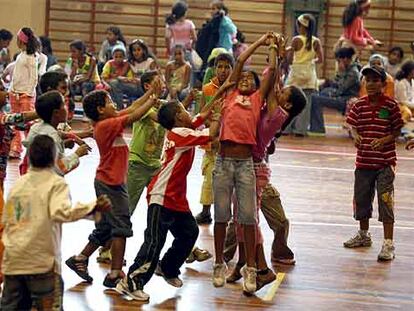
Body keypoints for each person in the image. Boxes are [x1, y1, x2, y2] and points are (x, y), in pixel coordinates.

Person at [115, 94, 224, 301]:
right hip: (161, 196)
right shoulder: (180, 133)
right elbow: (211, 134)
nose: (188, 112)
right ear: (178, 116)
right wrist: (218, 114)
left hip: (176, 199)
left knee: (189, 233)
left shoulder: (182, 129)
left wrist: (219, 95)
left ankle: (167, 267)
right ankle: (132, 281)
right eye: (184, 109)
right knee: (155, 241)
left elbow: (200, 116)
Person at [0, 134, 111, 310]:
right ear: (54, 157)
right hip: (42, 263)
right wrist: (92, 208)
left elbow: (7, 220)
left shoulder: (18, 185)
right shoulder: (56, 183)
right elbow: (61, 212)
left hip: (14, 261)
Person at [65, 83, 159, 288]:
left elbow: (133, 107)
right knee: (121, 228)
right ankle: (115, 273)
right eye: (109, 102)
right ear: (100, 110)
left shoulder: (109, 121)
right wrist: (152, 101)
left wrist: (150, 93)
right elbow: (134, 115)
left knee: (106, 227)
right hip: (111, 185)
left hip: (109, 183)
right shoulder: (107, 126)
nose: (114, 104)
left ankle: (80, 259)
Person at [211, 32, 279, 294]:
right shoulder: (229, 95)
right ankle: (219, 262)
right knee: (221, 215)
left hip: (245, 165)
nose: (247, 80)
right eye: (243, 78)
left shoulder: (256, 99)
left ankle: (251, 267)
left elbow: (271, 69)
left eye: (252, 79)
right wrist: (261, 41)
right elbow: (240, 62)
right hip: (223, 161)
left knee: (248, 218)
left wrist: (272, 48)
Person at [344, 65, 403, 261]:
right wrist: (356, 135)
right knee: (361, 199)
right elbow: (352, 125)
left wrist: (384, 141)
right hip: (363, 163)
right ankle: (363, 234)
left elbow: (396, 132)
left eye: (375, 80)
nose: (370, 84)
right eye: (367, 80)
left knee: (385, 201)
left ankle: (388, 243)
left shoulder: (391, 106)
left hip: (385, 163)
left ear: (383, 84)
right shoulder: (359, 105)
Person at [0, 90, 38, 286]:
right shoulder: (3, 117)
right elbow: (19, 117)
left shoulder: (4, 114)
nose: (4, 92)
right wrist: (42, 109)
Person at [195, 52, 234, 224]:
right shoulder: (207, 89)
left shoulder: (236, 89)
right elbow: (202, 113)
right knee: (209, 177)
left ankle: (228, 213)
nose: (223, 70)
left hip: (229, 139)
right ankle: (205, 211)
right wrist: (214, 122)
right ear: (214, 69)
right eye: (220, 66)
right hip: (212, 140)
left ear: (233, 69)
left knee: (228, 178)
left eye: (227, 67)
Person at [24, 91, 90, 176]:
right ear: (56, 113)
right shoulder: (53, 138)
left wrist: (66, 140)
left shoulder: (35, 128)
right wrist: (77, 154)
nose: (66, 108)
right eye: (64, 105)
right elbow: (57, 169)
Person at [284, 13, 323, 136]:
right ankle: (301, 130)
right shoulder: (316, 41)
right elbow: (320, 59)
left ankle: (286, 128)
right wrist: (311, 61)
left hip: (296, 74)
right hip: (309, 75)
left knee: (289, 100)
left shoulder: (296, 39)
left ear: (300, 25)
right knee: (306, 104)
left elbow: (290, 60)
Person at [309, 47, 360, 135]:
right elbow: (336, 84)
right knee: (315, 94)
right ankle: (315, 125)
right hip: (342, 96)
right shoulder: (348, 70)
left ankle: (318, 129)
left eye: (338, 61)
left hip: (346, 100)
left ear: (345, 59)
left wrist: (329, 93)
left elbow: (341, 89)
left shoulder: (353, 73)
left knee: (315, 98)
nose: (338, 63)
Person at [8, 27, 40, 159]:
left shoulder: (31, 57)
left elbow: (34, 77)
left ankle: (32, 147)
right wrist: (12, 89)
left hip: (25, 95)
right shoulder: (21, 55)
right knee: (15, 122)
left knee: (28, 123)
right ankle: (16, 147)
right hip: (15, 93)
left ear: (22, 40)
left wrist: (28, 93)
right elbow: (17, 75)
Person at [165, 1, 197, 68]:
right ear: (184, 13)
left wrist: (168, 50)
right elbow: (195, 38)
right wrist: (192, 47)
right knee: (190, 70)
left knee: (172, 69)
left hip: (175, 50)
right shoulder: (189, 23)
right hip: (186, 50)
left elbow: (167, 37)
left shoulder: (170, 24)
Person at [101, 45, 134, 110]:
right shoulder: (109, 64)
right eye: (116, 57)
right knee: (112, 86)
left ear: (124, 57)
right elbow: (103, 78)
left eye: (120, 57)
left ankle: (119, 107)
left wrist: (124, 79)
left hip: (121, 85)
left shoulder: (126, 65)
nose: (118, 59)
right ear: (112, 56)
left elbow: (130, 78)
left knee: (115, 84)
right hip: (107, 83)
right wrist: (107, 84)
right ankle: (116, 107)